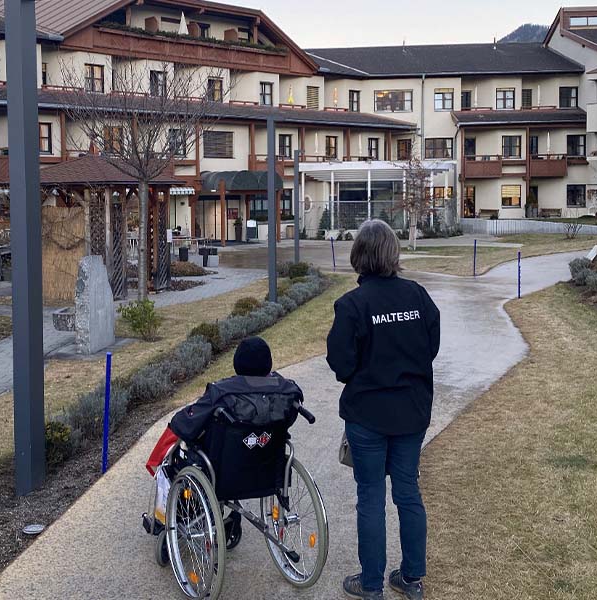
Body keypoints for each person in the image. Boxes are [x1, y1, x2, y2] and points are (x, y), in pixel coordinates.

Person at [326, 219, 440, 600]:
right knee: (407, 490)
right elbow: (431, 347)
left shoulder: (352, 305)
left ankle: (372, 584)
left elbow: (341, 365)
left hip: (368, 416)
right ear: (393, 254)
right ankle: (411, 578)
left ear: (359, 255)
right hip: (411, 411)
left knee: (371, 495)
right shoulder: (418, 297)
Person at [169, 336, 302, 443]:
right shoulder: (288, 391)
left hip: (227, 469)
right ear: (269, 362)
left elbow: (186, 425)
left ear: (237, 363)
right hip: (272, 466)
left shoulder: (221, 392)